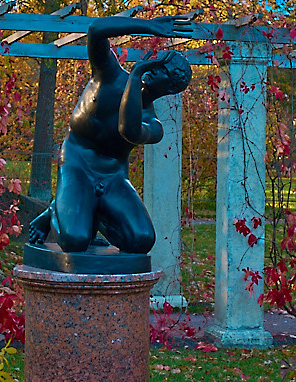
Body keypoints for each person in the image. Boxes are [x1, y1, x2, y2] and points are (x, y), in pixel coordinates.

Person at [33, 18, 194, 255]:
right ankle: (56, 210)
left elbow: (127, 130)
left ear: (169, 88)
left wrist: (137, 74)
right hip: (77, 164)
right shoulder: (109, 73)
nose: (155, 68)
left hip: (113, 176)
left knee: (141, 240)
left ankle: (90, 211)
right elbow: (96, 30)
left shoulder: (153, 124)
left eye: (163, 70)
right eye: (157, 62)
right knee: (74, 241)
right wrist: (149, 26)